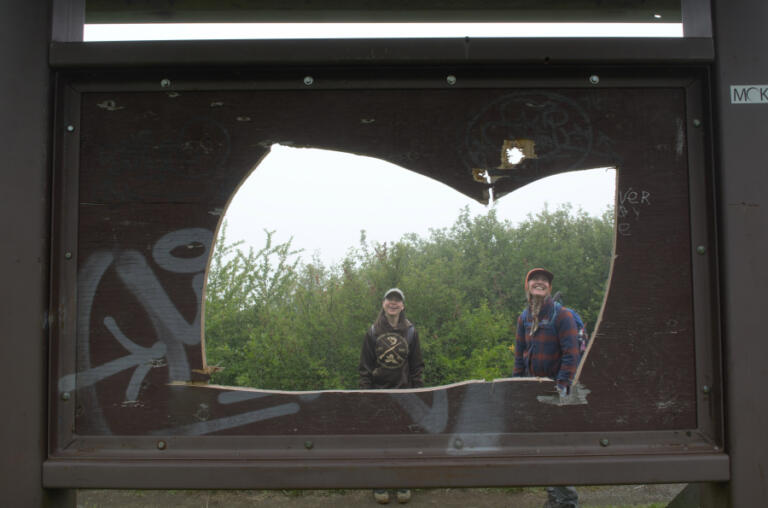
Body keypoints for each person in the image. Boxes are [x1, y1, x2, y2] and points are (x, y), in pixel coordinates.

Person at [513, 268, 580, 508]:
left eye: (544, 281)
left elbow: (571, 355)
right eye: (534, 279)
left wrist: (560, 389)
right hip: (533, 392)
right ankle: (555, 498)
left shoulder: (561, 316)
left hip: (557, 392)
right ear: (527, 286)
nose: (539, 283)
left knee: (557, 448)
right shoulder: (524, 317)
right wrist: (516, 388)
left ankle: (567, 501)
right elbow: (520, 357)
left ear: (549, 288)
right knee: (543, 447)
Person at [359, 288, 424, 504]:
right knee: (379, 443)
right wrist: (367, 395)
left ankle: (403, 482)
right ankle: (380, 483)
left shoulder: (411, 331)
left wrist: (419, 393)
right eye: (390, 300)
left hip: (406, 393)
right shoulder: (372, 332)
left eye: (398, 301)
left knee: (404, 442)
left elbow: (416, 367)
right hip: (379, 394)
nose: (393, 303)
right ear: (383, 303)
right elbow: (365, 367)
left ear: (403, 306)